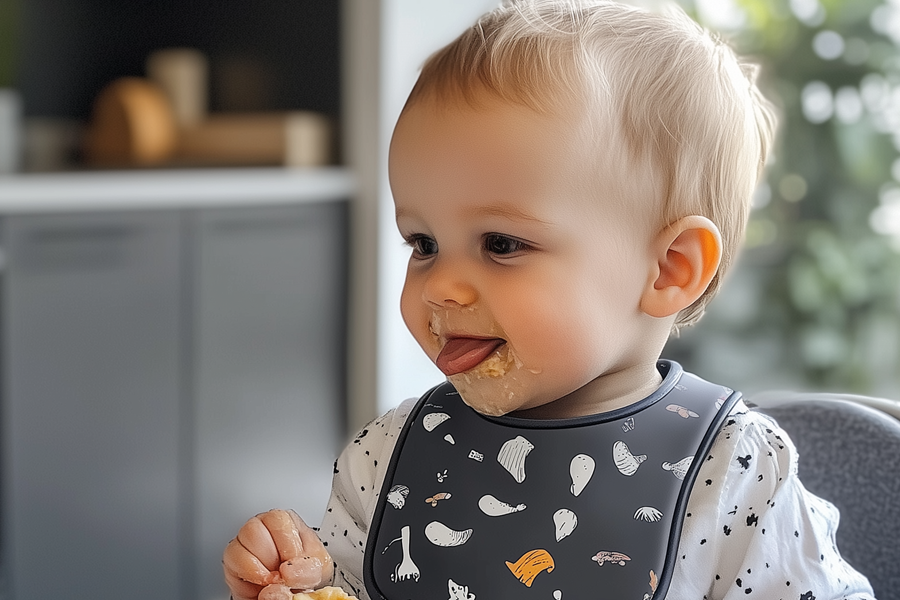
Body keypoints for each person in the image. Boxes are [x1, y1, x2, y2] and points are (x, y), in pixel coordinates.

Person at [224, 1, 877, 599]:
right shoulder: (387, 455)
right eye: (423, 243)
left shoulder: (734, 476)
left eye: (502, 243)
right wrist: (307, 584)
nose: (441, 286)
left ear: (668, 270)